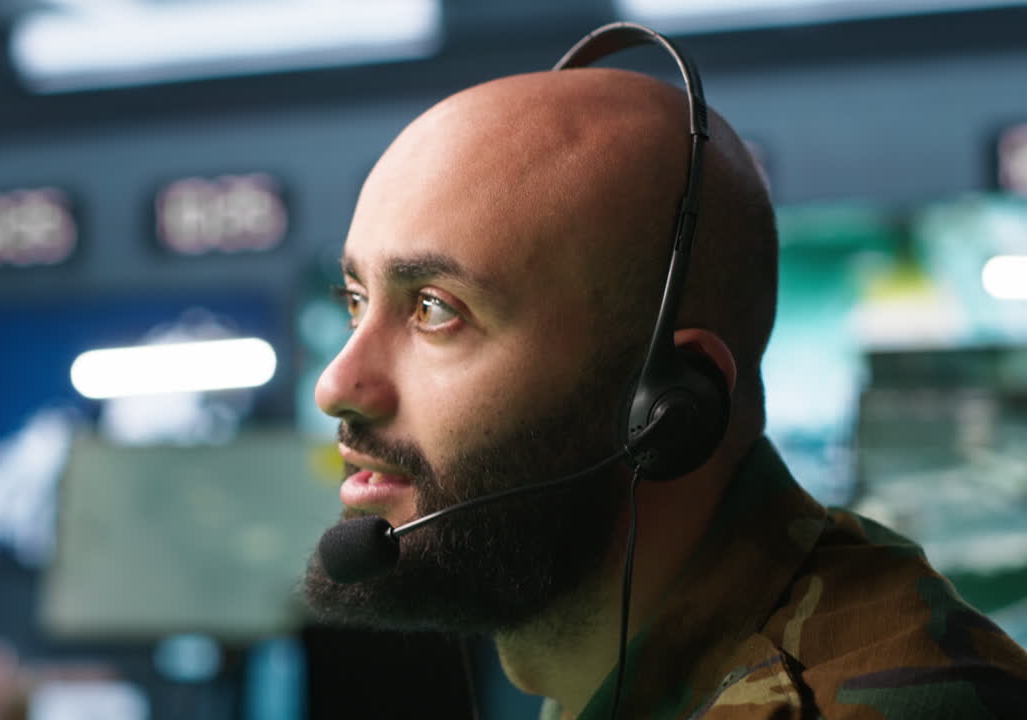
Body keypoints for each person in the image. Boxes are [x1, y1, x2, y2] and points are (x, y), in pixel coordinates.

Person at [300, 29, 1027, 720]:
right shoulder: (606, 666)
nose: (334, 386)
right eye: (356, 300)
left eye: (435, 309)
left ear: (670, 406)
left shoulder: (887, 706)